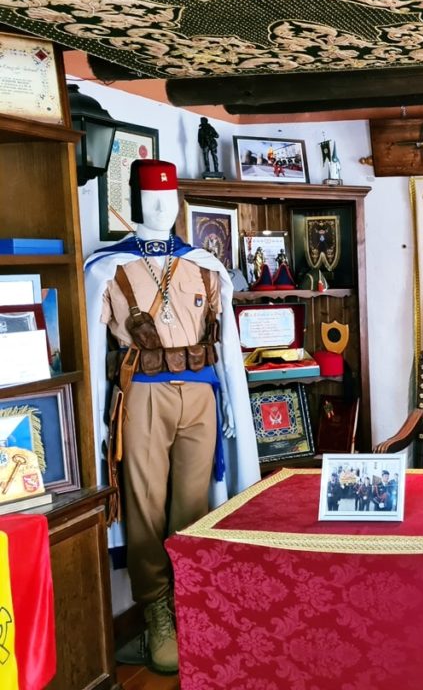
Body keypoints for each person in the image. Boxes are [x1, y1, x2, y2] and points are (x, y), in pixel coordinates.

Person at [84, 159, 260, 675]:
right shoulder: (105, 269)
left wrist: (231, 404)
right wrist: (98, 419)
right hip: (143, 393)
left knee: (194, 504)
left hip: (202, 393)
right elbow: (97, 355)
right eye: (152, 197)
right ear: (137, 201)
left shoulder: (206, 263)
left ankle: (196, 607)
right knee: (144, 505)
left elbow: (227, 348)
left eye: (169, 197)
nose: (162, 206)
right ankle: (158, 614)